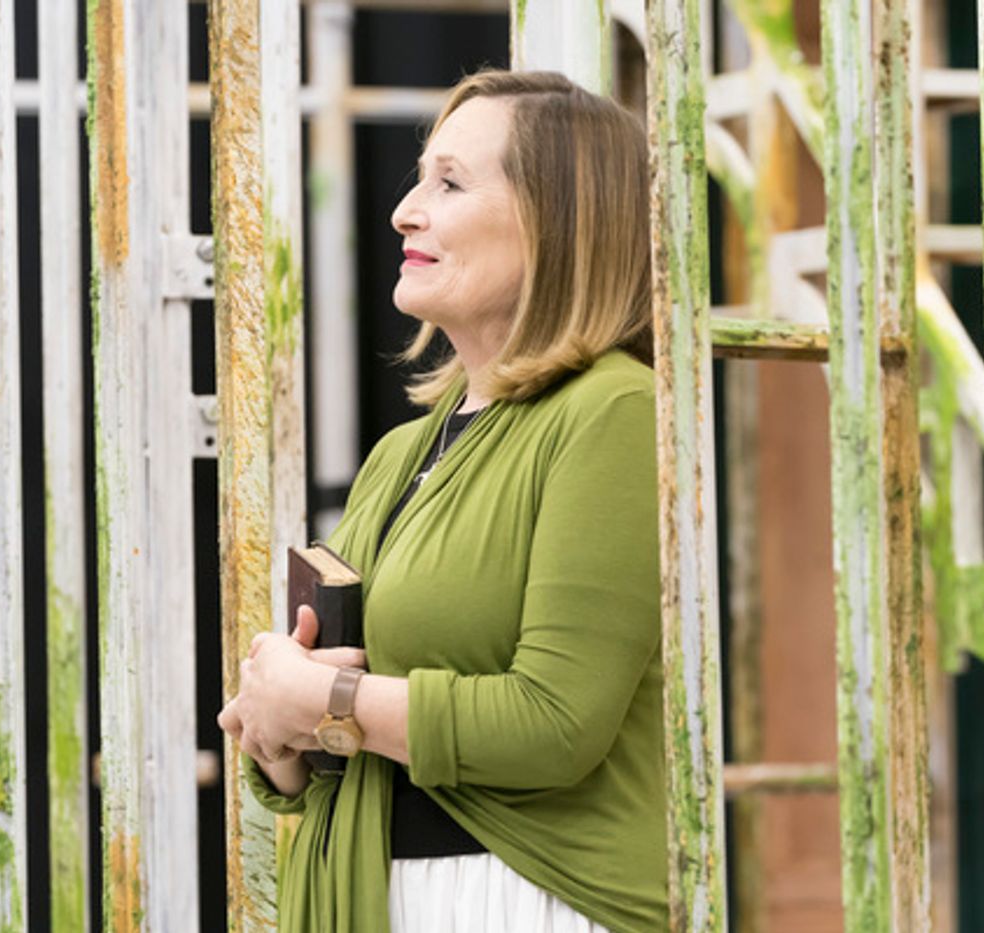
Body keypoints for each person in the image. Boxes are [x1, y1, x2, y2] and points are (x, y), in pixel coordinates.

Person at [217, 69, 667, 933]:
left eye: (450, 183)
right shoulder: (400, 454)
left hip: (525, 899)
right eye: (420, 177)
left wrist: (324, 702)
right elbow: (349, 732)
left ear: (557, 218)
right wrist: (279, 735)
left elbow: (556, 721)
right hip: (379, 896)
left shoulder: (613, 410)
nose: (405, 211)